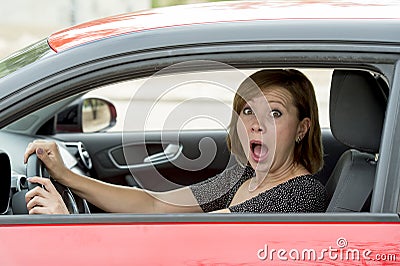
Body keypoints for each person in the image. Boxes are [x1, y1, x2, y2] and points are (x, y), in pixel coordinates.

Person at [24, 69, 327, 214]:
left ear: (302, 129)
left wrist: (68, 224)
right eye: (248, 110)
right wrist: (67, 176)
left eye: (274, 112)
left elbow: (188, 237)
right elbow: (156, 204)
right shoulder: (247, 177)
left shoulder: (299, 194)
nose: (256, 124)